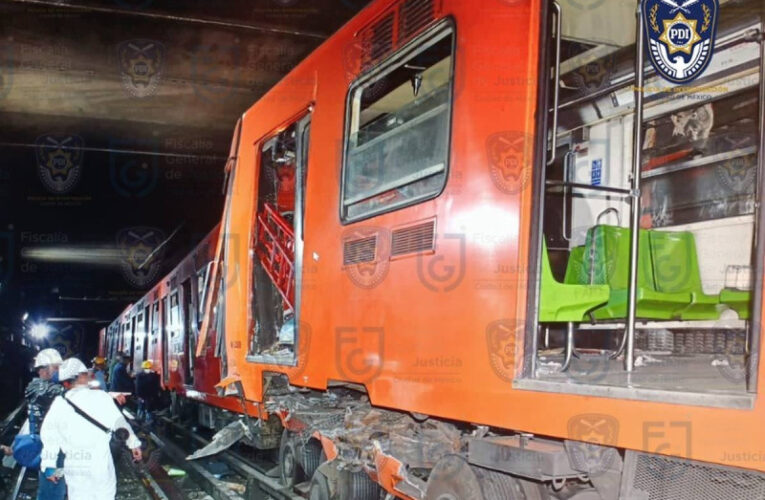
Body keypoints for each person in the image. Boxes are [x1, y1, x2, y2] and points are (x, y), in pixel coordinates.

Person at [40, 358, 142, 500]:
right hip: (100, 462)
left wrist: (48, 464)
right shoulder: (101, 397)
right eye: (86, 373)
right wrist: (134, 444)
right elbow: (120, 423)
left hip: (75, 465)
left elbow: (50, 434)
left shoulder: (60, 404)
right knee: (104, 495)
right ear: (81, 376)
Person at [23, 348, 66, 500]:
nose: (59, 371)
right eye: (56, 367)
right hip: (50, 447)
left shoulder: (51, 387)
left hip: (55, 445)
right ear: (44, 369)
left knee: (55, 486)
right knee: (53, 490)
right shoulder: (37, 386)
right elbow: (51, 392)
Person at [135, 360, 160, 426]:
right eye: (147, 368)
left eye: (148, 368)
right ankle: (143, 423)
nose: (147, 369)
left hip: (147, 396)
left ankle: (142, 423)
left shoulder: (140, 375)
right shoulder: (152, 376)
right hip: (146, 396)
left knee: (144, 409)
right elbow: (138, 387)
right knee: (145, 409)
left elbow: (137, 386)